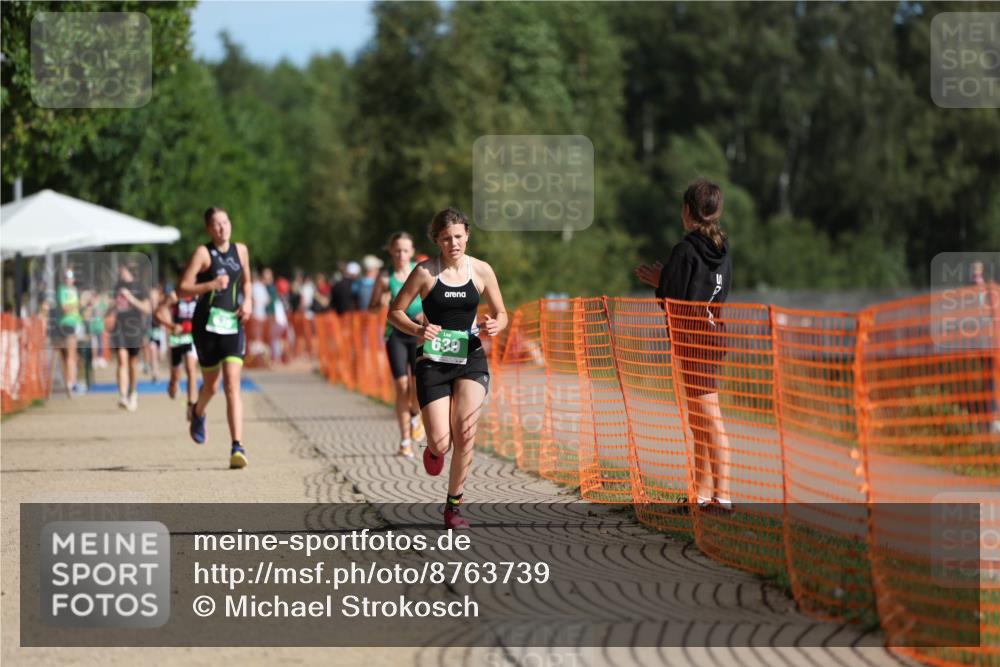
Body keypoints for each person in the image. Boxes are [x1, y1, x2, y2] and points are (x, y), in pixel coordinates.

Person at [388, 207, 508, 529]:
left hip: (471, 357)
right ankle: (434, 449)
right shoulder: (425, 272)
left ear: (467, 235)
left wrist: (496, 324)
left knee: (466, 432)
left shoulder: (481, 271)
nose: (453, 243)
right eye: (446, 238)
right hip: (433, 362)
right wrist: (417, 330)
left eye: (458, 236)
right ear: (437, 240)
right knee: (442, 442)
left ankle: (453, 506)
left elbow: (501, 313)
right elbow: (394, 312)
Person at [635, 178, 733, 511]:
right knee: (699, 423)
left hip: (695, 342)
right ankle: (701, 495)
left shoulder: (686, 250)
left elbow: (673, 299)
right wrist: (666, 280)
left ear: (687, 210)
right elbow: (705, 293)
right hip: (712, 335)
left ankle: (723, 497)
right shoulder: (722, 251)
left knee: (711, 421)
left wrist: (660, 280)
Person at [179, 207, 253, 469]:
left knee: (232, 384)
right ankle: (198, 412)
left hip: (232, 323)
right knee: (211, 386)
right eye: (217, 224)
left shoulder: (241, 251)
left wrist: (249, 302)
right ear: (209, 229)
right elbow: (182, 288)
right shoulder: (203, 253)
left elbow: (246, 283)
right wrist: (210, 285)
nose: (223, 228)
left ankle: (237, 446)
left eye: (225, 222)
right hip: (206, 325)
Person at [370, 232, 426, 458]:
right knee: (401, 387)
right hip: (396, 335)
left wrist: (426, 312)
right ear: (391, 252)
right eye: (397, 250)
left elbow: (433, 298)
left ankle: (416, 414)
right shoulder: (385, 279)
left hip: (419, 333)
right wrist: (380, 301)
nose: (401, 254)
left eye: (405, 250)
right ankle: (405, 441)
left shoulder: (421, 272)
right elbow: (372, 308)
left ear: (411, 252)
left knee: (417, 386)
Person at [109, 262, 152, 411]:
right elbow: (111, 307)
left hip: (134, 329)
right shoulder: (116, 286)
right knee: (121, 359)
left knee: (132, 363)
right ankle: (122, 396)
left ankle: (132, 392)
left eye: (122, 268)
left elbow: (147, 308)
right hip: (119, 328)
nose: (120, 271)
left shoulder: (140, 287)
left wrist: (130, 298)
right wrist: (113, 305)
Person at [155, 283, 200, 420]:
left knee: (191, 369)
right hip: (177, 339)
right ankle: (173, 384)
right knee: (176, 376)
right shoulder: (175, 296)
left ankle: (191, 405)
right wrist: (171, 325)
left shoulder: (198, 295)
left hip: (192, 337)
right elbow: (157, 313)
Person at [55, 269, 83, 397]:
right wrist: (78, 304)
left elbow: (76, 309)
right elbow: (65, 308)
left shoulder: (74, 290)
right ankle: (71, 384)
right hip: (67, 324)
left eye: (71, 277)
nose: (69, 280)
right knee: (70, 356)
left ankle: (71, 382)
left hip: (75, 323)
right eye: (67, 277)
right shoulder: (62, 290)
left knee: (71, 356)